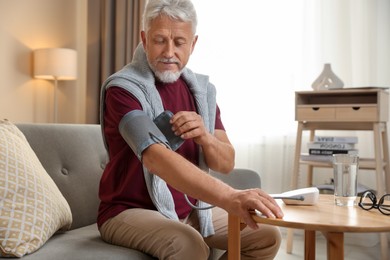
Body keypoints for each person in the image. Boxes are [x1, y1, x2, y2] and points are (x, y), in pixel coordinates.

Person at [98, 0, 283, 259]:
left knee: (266, 236)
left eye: (179, 42)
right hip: (126, 211)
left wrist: (205, 137)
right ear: (144, 38)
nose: (169, 52)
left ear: (193, 44)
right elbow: (154, 156)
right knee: (190, 245)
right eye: (160, 40)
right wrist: (230, 196)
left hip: (189, 211)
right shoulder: (123, 89)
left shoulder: (202, 91)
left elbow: (226, 162)